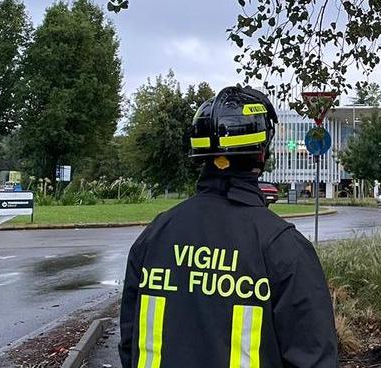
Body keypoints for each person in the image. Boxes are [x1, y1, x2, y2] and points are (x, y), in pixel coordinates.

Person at [119, 86, 338, 368]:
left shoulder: (156, 235)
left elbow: (130, 344)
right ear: (261, 153)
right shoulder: (282, 248)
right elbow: (314, 358)